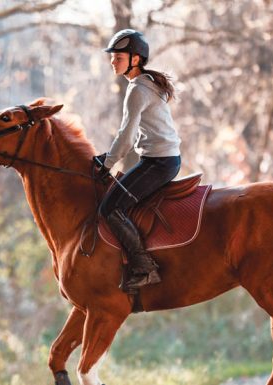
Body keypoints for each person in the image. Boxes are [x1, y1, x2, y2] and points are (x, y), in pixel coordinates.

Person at [95, 29, 182, 291]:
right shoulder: (145, 83)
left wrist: (107, 164)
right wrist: (108, 158)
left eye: (118, 56)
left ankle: (145, 267)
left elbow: (127, 133)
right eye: (112, 57)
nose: (113, 61)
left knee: (110, 209)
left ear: (135, 59)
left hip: (159, 162)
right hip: (159, 158)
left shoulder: (138, 90)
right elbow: (132, 136)